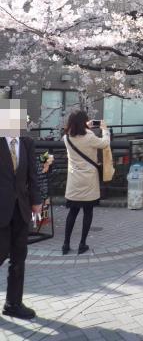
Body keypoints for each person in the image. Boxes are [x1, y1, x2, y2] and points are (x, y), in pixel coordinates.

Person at [0, 100, 42, 320]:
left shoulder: (26, 143)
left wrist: (37, 201)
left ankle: (13, 303)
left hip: (21, 210)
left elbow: (32, 175)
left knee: (19, 258)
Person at [62, 111, 110, 255]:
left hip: (74, 180)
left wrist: (85, 126)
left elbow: (78, 134)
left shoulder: (66, 138)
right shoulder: (89, 136)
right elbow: (105, 143)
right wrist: (105, 130)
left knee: (72, 212)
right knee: (88, 212)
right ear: (84, 121)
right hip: (88, 180)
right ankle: (82, 244)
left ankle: (65, 244)